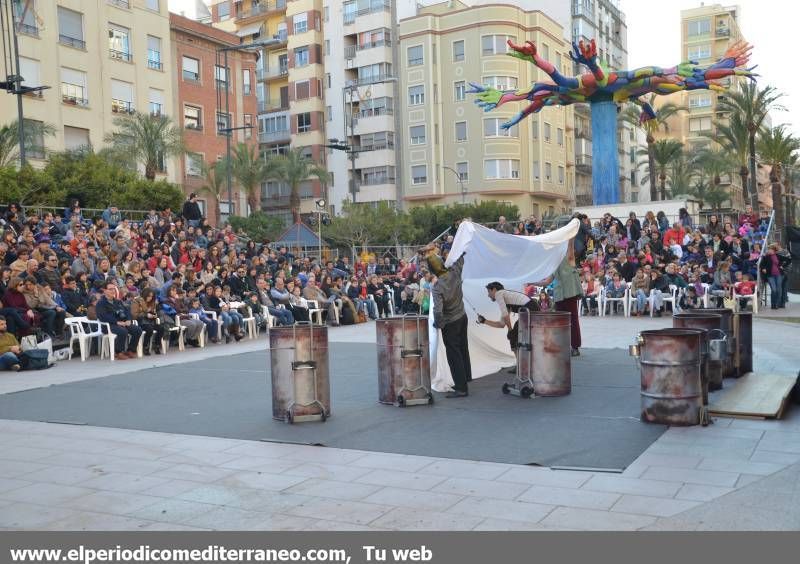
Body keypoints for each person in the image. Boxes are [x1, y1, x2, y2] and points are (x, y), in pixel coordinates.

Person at [428, 246, 471, 398]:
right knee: (463, 348)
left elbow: (438, 310)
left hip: (450, 322)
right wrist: (460, 248)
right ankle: (466, 378)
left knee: (454, 354)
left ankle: (461, 387)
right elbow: (460, 259)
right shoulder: (454, 273)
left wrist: (438, 324)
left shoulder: (437, 287)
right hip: (462, 316)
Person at [534, 242, 583, 355]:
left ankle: (575, 347)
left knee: (573, 321)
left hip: (570, 294)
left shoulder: (569, 259)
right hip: (559, 296)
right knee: (560, 322)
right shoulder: (554, 265)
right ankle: (563, 345)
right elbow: (547, 281)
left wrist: (571, 234)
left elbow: (570, 246)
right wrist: (530, 282)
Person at [478, 281, 539, 358]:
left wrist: (510, 331)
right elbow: (501, 324)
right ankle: (520, 365)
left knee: (513, 336)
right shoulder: (507, 299)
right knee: (514, 337)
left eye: (489, 292)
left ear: (494, 289)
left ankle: (520, 366)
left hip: (530, 309)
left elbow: (505, 315)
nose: (488, 295)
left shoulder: (498, 293)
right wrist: (484, 321)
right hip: (531, 309)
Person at [95, 281, 142, 359]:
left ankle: (130, 350)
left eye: (114, 289)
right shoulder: (101, 303)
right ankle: (118, 352)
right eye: (110, 289)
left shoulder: (118, 301)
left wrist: (128, 320)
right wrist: (117, 322)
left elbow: (127, 311)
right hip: (109, 325)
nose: (113, 291)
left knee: (137, 330)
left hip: (122, 323)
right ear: (105, 290)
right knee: (123, 331)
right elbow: (103, 316)